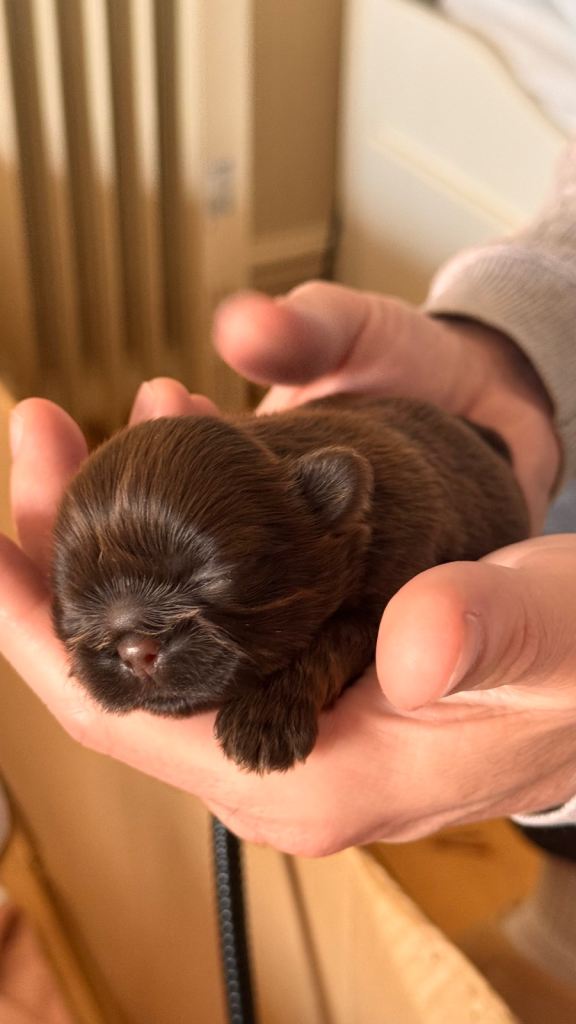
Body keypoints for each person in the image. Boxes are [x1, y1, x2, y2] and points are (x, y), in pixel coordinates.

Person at [3, 141, 576, 1015]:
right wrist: (515, 346)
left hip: (490, 519)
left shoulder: (381, 524)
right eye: (95, 622)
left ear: (326, 517)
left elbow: (362, 625)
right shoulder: (289, 500)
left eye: (197, 597)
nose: (132, 649)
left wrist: (302, 679)